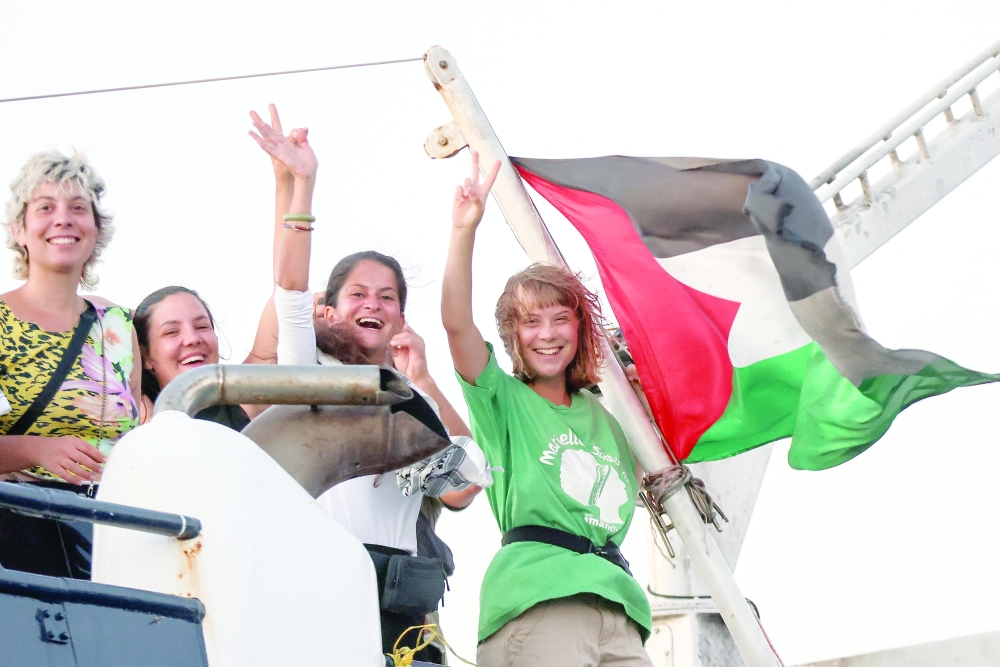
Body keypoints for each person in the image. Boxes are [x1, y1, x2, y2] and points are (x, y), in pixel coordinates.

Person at [248, 105, 483, 662]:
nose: (372, 304)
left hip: (403, 605)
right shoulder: (313, 375)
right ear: (329, 309)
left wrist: (423, 379)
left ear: (401, 317)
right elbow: (289, 287)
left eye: (387, 296)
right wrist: (301, 185)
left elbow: (465, 486)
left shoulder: (410, 400)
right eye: (357, 293)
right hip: (324, 589)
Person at [442, 152, 653, 667]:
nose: (548, 334)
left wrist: (643, 391)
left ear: (580, 328)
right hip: (539, 596)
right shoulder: (503, 400)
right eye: (531, 322)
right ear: (513, 335)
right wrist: (464, 230)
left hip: (620, 605)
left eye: (561, 318)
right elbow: (456, 326)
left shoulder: (611, 417)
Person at [0, 151, 141, 579]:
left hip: (114, 537)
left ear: (96, 231)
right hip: (19, 539)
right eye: (45, 207)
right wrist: (38, 448)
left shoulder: (117, 326)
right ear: (19, 230)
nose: (63, 219)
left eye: (78, 208)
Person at [133, 286, 253, 429]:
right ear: (145, 356)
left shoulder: (248, 401)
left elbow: (285, 293)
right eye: (171, 332)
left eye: (202, 326)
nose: (192, 339)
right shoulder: (134, 426)